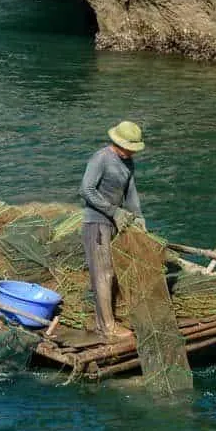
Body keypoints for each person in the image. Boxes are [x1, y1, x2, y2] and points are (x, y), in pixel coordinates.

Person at [79, 120, 146, 337]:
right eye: (128, 148)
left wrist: (138, 218)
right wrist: (113, 211)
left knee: (114, 271)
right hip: (96, 222)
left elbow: (131, 193)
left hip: (116, 222)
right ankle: (106, 326)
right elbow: (86, 190)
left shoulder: (128, 162)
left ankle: (111, 318)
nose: (130, 152)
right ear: (117, 142)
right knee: (103, 273)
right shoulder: (101, 158)